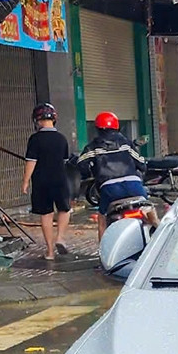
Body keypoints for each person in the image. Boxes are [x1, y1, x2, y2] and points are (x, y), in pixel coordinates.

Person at [78, 112, 151, 238]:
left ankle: (103, 253)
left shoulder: (93, 147)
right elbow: (141, 164)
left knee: (102, 220)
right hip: (135, 187)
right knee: (148, 210)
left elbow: (81, 164)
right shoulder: (127, 144)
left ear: (97, 129)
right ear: (117, 127)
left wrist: (88, 173)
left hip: (110, 190)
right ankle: (159, 234)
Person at [22, 103, 74, 260]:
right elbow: (64, 160)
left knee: (46, 214)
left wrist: (25, 182)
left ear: (37, 120)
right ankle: (60, 238)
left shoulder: (35, 139)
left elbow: (31, 162)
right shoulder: (61, 139)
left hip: (41, 182)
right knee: (64, 210)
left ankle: (50, 252)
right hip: (60, 179)